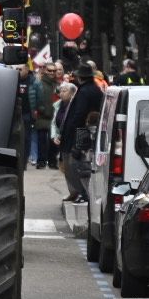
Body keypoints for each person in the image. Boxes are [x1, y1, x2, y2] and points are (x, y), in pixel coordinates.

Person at [58, 65, 105, 203]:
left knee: (75, 163)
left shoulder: (84, 92)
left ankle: (81, 192)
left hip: (79, 132)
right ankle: (79, 192)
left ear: (80, 77)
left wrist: (71, 127)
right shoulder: (95, 89)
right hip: (86, 130)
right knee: (79, 163)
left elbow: (79, 113)